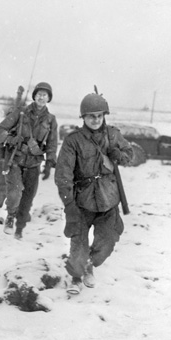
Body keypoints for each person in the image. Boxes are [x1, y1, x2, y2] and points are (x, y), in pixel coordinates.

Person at [54, 91, 133, 295]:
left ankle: (91, 264)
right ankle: (76, 277)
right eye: (91, 116)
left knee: (107, 241)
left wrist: (118, 154)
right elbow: (63, 176)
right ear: (83, 118)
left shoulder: (113, 135)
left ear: (104, 115)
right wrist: (69, 206)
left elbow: (129, 155)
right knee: (78, 243)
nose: (96, 120)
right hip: (82, 201)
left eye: (100, 115)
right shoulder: (73, 141)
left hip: (108, 199)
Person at [0, 81, 58, 239]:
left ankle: (20, 228)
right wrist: (8, 138)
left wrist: (50, 163)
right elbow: (0, 128)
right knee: (15, 192)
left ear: (48, 98)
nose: (41, 97)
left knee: (28, 197)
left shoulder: (50, 120)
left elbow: (52, 143)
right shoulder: (21, 113)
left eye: (45, 95)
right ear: (34, 96)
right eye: (39, 94)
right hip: (15, 159)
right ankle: (10, 217)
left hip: (34, 163)